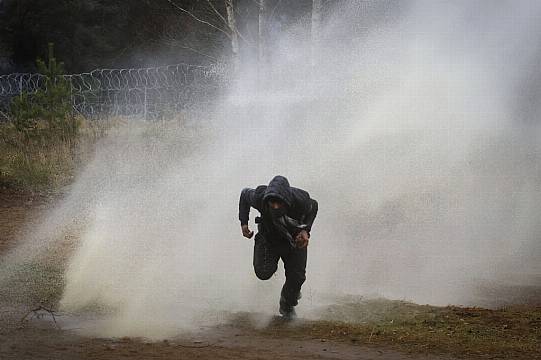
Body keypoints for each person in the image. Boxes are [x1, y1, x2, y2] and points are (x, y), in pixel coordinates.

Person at [238, 175, 318, 319]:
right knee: (263, 272)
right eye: (272, 203)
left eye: (279, 203)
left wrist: (306, 230)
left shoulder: (301, 200)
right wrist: (244, 223)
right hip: (268, 239)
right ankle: (272, 265)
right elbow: (244, 194)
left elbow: (314, 207)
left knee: (297, 278)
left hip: (294, 240)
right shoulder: (259, 196)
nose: (275, 206)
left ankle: (287, 304)